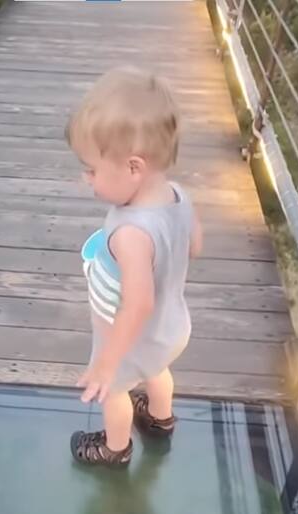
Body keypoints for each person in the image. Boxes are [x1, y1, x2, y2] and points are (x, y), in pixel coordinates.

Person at [65, 66, 203, 467]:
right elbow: (194, 245)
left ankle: (115, 447)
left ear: (133, 167)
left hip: (132, 337)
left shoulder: (129, 234)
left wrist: (107, 364)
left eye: (92, 169)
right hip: (172, 327)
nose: (87, 179)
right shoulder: (178, 194)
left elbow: (137, 303)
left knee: (115, 392)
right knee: (158, 371)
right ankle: (160, 420)